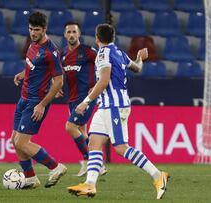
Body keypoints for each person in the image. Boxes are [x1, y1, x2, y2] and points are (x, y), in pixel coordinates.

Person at [67, 24, 169, 199]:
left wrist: (85, 101)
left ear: (97, 38)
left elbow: (104, 81)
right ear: (112, 38)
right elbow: (137, 68)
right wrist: (139, 58)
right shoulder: (119, 52)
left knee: (121, 148)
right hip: (106, 106)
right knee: (94, 143)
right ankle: (90, 185)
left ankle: (158, 176)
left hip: (113, 106)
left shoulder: (102, 54)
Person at [12, 11, 67, 189]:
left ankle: (56, 167)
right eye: (30, 29)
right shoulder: (32, 44)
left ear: (45, 29)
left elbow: (59, 80)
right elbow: (33, 68)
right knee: (15, 140)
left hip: (36, 101)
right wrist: (22, 74)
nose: (33, 33)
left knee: (22, 142)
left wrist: (42, 104)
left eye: (37, 30)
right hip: (24, 97)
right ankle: (30, 178)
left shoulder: (51, 52)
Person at [58, 21, 107, 177]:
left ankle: (90, 160)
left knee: (70, 127)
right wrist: (56, 85)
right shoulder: (63, 54)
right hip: (71, 97)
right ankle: (96, 164)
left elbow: (104, 64)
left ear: (79, 34)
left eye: (74, 31)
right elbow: (57, 71)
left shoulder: (88, 52)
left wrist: (98, 83)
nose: (71, 34)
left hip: (86, 97)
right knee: (80, 130)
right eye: (69, 32)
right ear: (65, 35)